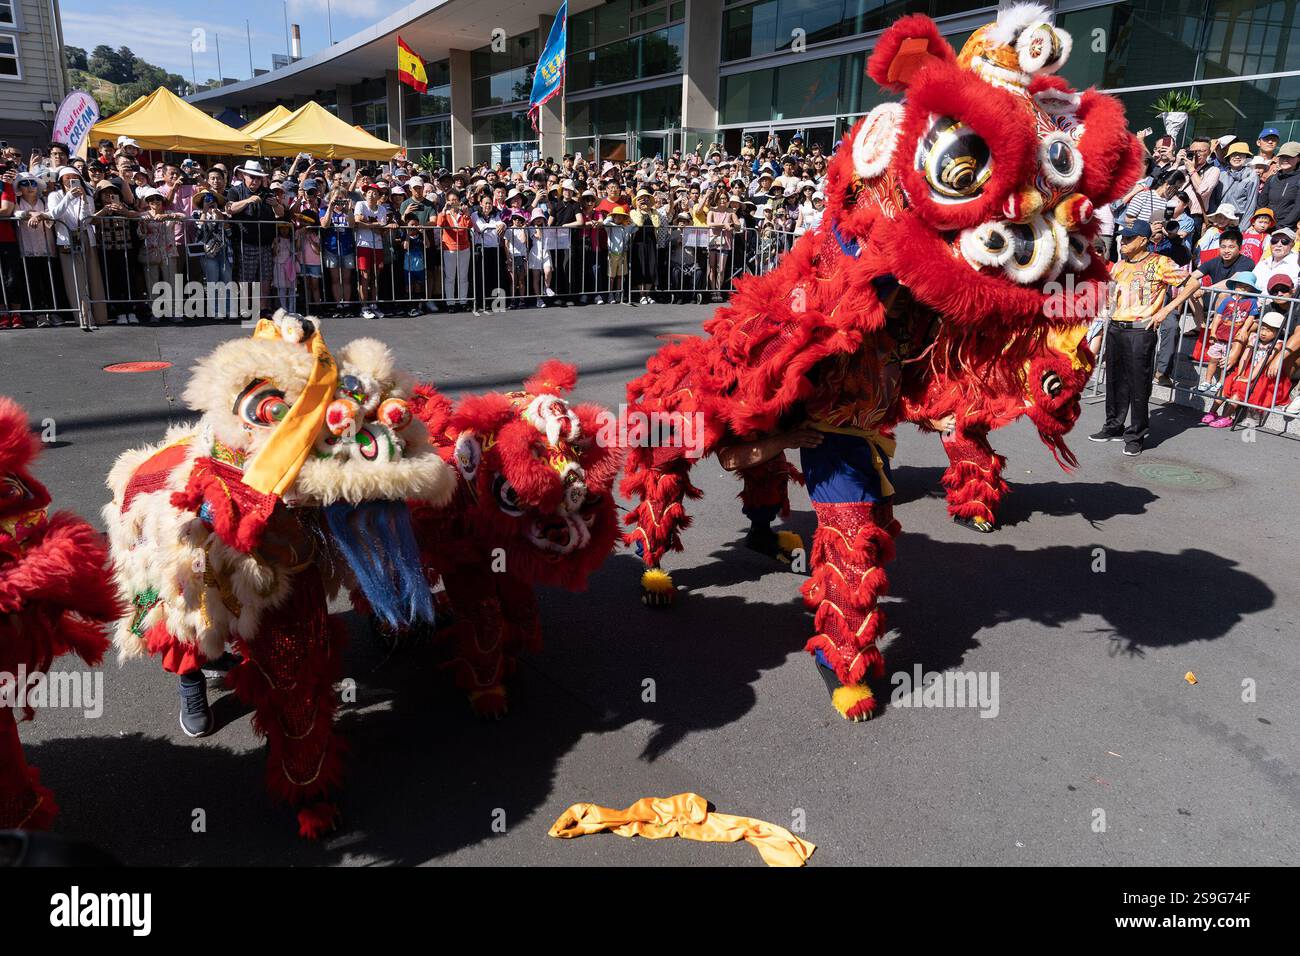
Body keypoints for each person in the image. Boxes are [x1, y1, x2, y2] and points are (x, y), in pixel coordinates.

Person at [1092, 220, 1202, 456]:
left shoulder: (1160, 262)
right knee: (1114, 380)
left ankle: (1136, 435)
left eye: (1129, 238)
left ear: (1143, 240)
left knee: (1138, 384)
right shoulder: (1119, 265)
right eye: (1123, 238)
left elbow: (1193, 282)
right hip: (1116, 327)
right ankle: (1113, 426)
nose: (1123, 242)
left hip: (1141, 330)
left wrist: (1165, 310)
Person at [1202, 310, 1287, 426]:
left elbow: (1263, 362)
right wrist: (1240, 373)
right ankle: (1212, 412)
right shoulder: (1254, 337)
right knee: (1228, 383)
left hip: (1262, 374)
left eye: (1268, 330)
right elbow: (1245, 357)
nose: (1263, 332)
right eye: (1262, 328)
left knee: (1240, 388)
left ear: (1277, 332)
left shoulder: (1277, 345)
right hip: (1248, 368)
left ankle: (1226, 416)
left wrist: (1250, 378)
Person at [1198, 272, 1261, 392]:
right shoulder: (1227, 300)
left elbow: (1251, 318)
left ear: (1251, 289)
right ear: (1234, 286)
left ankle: (1221, 382)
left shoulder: (1252, 301)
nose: (1242, 289)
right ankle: (1207, 380)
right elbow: (1218, 316)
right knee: (1213, 359)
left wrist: (1244, 329)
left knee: (1226, 362)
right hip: (1220, 335)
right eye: (1239, 285)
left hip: (1233, 338)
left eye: (1246, 287)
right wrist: (1212, 332)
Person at [353, 183, 390, 319]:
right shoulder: (360, 204)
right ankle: (364, 306)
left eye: (374, 192)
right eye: (368, 192)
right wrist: (374, 224)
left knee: (375, 276)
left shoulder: (382, 209)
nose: (370, 194)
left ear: (379, 196)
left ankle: (374, 305)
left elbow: (381, 228)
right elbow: (357, 221)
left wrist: (367, 222)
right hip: (363, 244)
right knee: (365, 276)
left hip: (378, 245)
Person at [435, 189, 472, 312]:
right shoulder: (445, 213)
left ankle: (463, 301)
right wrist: (444, 210)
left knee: (463, 276)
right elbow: (439, 224)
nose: (453, 202)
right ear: (447, 201)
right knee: (450, 277)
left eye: (455, 200)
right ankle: (450, 303)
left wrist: (466, 213)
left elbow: (468, 226)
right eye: (451, 200)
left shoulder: (463, 213)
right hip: (449, 248)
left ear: (459, 201)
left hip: (464, 248)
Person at [1257, 141, 1300, 228]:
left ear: (1298, 158)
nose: (1284, 160)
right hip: (1266, 227)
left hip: (1286, 230)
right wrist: (1264, 223)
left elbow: (1297, 209)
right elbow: (1261, 204)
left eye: (1289, 157)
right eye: (1282, 157)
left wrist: (1282, 226)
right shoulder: (1272, 179)